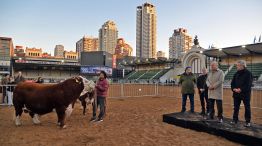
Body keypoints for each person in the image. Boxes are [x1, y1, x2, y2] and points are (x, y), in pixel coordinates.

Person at [231, 60, 253, 127]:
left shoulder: (248, 73)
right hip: (236, 94)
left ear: (242, 65)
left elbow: (248, 84)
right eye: (236, 65)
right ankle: (235, 120)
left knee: (247, 108)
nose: (236, 67)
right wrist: (234, 89)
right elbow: (232, 83)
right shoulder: (236, 73)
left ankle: (247, 121)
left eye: (237, 65)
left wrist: (241, 89)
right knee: (236, 107)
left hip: (245, 94)